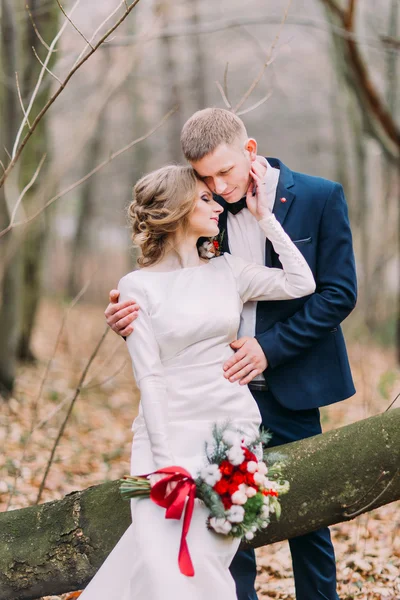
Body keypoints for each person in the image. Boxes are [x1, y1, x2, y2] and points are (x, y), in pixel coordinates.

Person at [105, 108, 357, 600]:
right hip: (214, 392)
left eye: (225, 172)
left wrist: (269, 349)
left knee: (307, 516)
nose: (218, 188)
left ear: (250, 150)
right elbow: (173, 284)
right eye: (206, 179)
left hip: (293, 382)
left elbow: (337, 293)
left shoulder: (320, 196)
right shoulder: (202, 206)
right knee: (228, 525)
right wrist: (129, 318)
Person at [80, 161, 315, 600]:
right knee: (159, 557)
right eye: (206, 199)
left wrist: (266, 218)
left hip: (231, 429)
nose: (219, 206)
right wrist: (166, 463)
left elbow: (302, 282)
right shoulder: (136, 287)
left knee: (207, 555)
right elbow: (149, 376)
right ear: (177, 208)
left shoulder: (229, 269)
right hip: (165, 431)